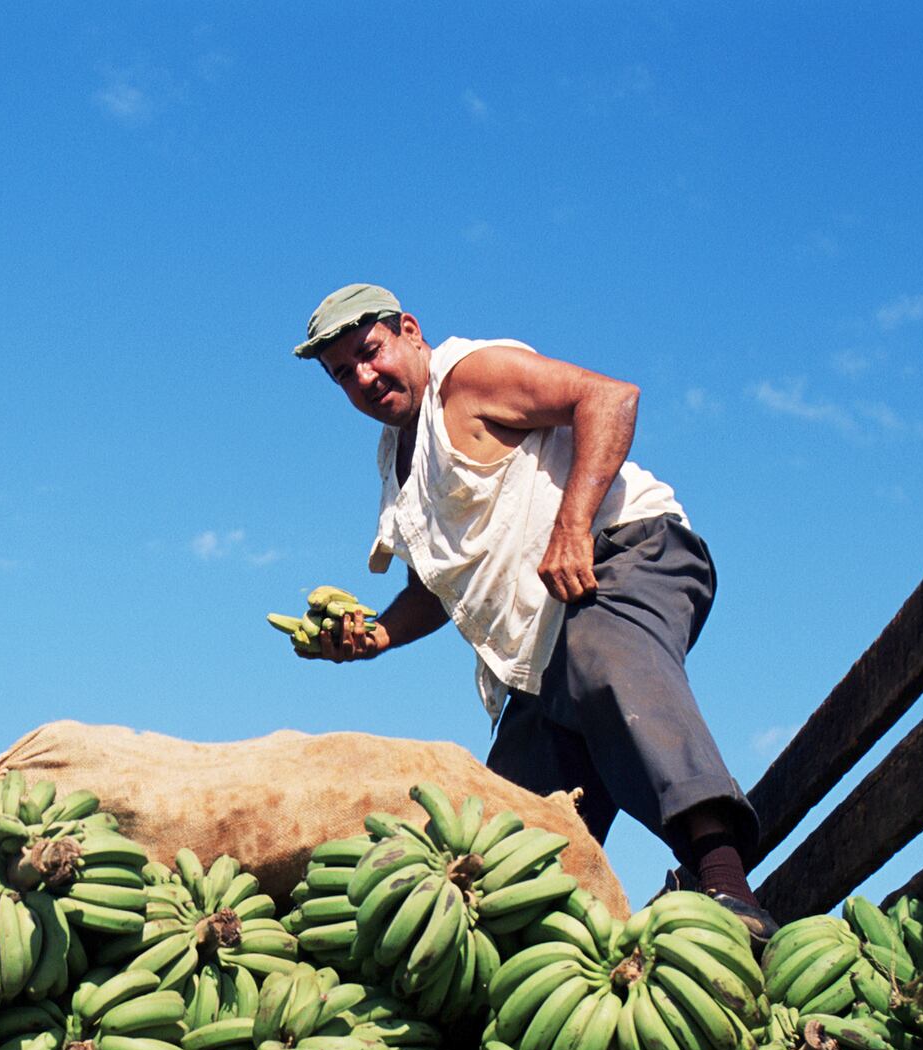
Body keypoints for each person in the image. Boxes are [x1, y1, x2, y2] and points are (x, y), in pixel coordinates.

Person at [290, 283, 774, 937]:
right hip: (534, 655)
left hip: (621, 556)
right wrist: (375, 635)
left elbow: (607, 397)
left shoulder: (468, 376)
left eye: (370, 352)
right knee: (501, 837)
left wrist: (573, 524)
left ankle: (726, 885)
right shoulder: (398, 464)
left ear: (409, 329)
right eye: (344, 373)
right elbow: (435, 588)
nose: (365, 377)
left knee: (603, 659)